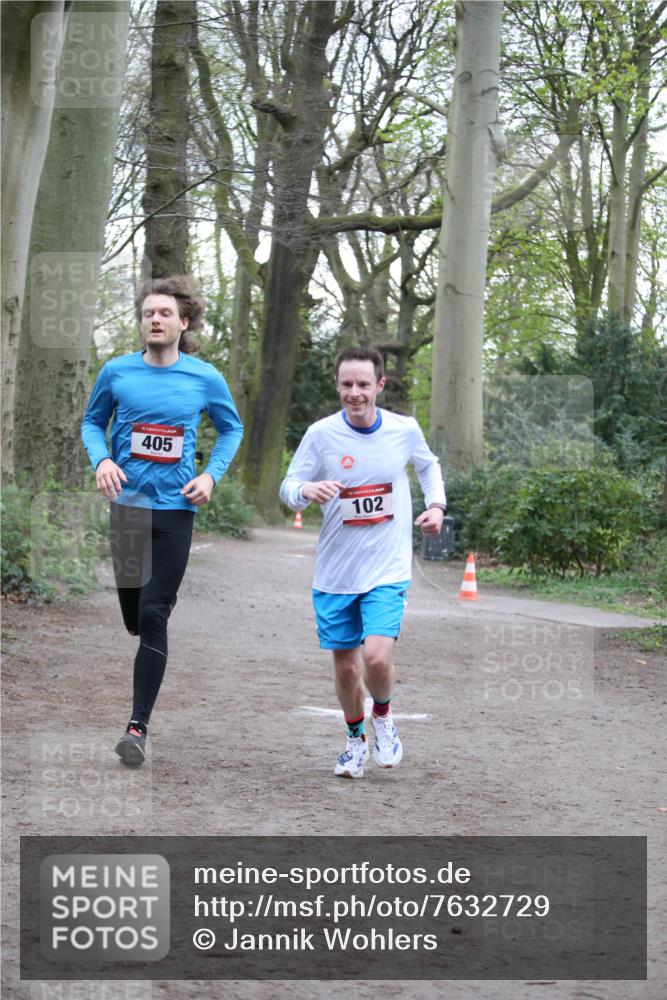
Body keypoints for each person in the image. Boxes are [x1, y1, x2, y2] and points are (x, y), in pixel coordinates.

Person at [81, 276, 243, 765]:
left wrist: (210, 476)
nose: (155, 319)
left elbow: (231, 429)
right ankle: (145, 616)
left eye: (165, 313)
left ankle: (137, 727)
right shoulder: (116, 372)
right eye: (149, 313)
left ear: (183, 322)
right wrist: (101, 460)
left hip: (176, 510)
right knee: (134, 615)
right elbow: (93, 422)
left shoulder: (204, 378)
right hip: (128, 508)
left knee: (154, 615)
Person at [279, 346, 446, 779]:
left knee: (375, 658)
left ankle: (383, 718)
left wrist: (436, 507)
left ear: (380, 385)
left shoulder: (403, 429)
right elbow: (289, 486)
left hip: (387, 568)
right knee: (348, 667)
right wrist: (305, 491)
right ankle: (355, 741)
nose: (355, 392)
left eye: (363, 384)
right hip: (336, 573)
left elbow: (428, 467)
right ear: (337, 385)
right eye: (347, 384)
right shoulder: (321, 435)